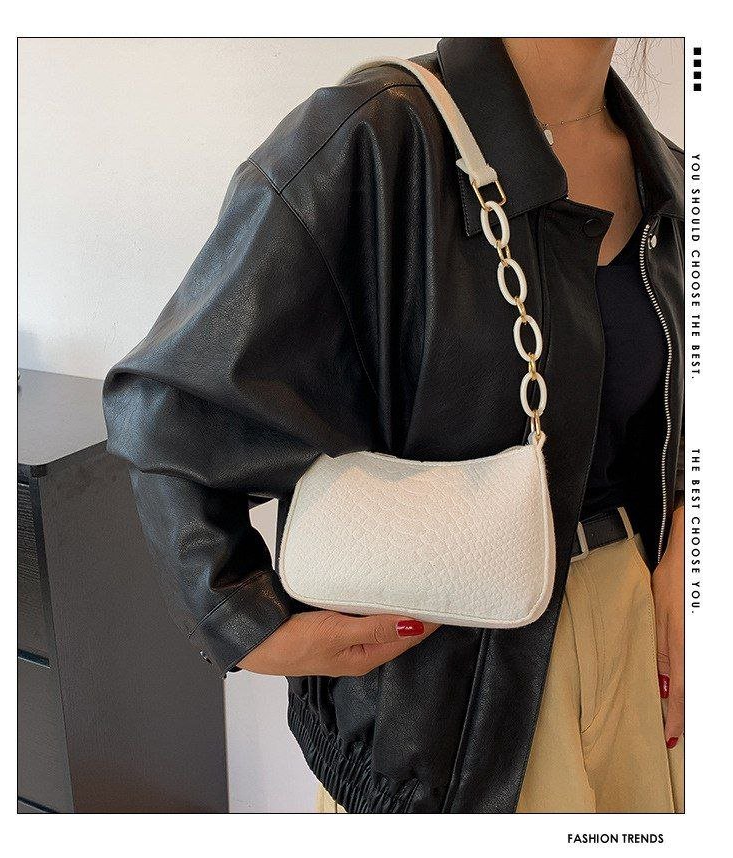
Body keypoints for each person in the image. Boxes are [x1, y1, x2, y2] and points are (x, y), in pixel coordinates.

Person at [103, 37, 684, 813]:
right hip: (442, 702)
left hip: (647, 654)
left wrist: (688, 540)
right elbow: (170, 404)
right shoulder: (375, 138)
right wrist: (240, 617)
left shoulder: (673, 174)